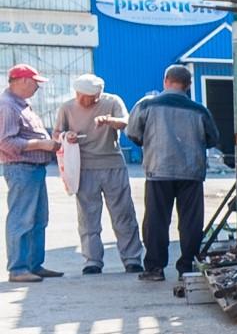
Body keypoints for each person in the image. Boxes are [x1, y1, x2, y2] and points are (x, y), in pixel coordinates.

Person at [127, 64, 218, 284]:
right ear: (188, 86)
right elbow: (213, 139)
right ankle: (187, 268)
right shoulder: (200, 110)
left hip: (159, 170)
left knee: (157, 220)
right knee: (190, 222)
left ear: (166, 80)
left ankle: (155, 268)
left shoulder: (146, 105)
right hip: (191, 173)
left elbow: (133, 134)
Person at [56, 74, 144, 275]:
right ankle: (92, 261)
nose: (84, 100)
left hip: (112, 164)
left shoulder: (112, 102)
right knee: (88, 216)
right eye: (80, 95)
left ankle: (132, 259)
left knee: (123, 213)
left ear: (99, 94)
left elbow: (125, 122)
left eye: (89, 97)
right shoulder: (67, 107)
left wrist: (109, 121)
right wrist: (65, 136)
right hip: (83, 167)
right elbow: (57, 132)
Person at [0, 64, 63, 284]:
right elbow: (6, 142)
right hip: (21, 169)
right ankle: (18, 269)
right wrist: (41, 144)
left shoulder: (22, 105)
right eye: (36, 82)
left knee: (38, 219)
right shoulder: (7, 106)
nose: (37, 87)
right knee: (21, 219)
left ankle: (34, 265)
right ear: (24, 81)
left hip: (33, 169)